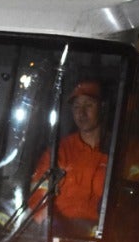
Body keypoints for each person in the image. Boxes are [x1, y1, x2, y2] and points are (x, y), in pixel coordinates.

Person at [30, 80, 111, 223]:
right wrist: (45, 218)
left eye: (88, 105)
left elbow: (133, 204)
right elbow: (38, 194)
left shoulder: (123, 151)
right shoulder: (58, 152)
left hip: (102, 236)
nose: (81, 113)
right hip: (61, 234)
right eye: (76, 107)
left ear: (103, 107)